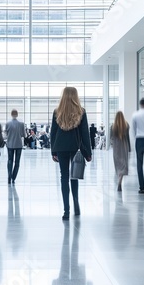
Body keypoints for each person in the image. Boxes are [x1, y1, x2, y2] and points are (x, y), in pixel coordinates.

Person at [50, 87, 92, 221]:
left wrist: (53, 151)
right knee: (74, 176)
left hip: (61, 147)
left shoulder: (57, 112)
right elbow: (85, 134)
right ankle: (76, 204)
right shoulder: (81, 112)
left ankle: (66, 210)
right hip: (76, 147)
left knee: (64, 177)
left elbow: (53, 133)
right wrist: (88, 153)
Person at [110, 111, 131, 192]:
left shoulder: (113, 126)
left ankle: (118, 178)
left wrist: (112, 145)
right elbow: (128, 138)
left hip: (116, 147)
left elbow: (111, 138)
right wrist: (129, 149)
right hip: (124, 146)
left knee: (118, 164)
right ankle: (120, 181)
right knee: (123, 164)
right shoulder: (126, 125)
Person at [4, 109, 24, 185]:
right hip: (18, 144)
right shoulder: (21, 124)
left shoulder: (7, 123)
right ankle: (13, 177)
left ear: (11, 114)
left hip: (10, 144)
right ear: (17, 114)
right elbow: (23, 134)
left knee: (10, 160)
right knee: (17, 161)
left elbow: (6, 134)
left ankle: (9, 177)